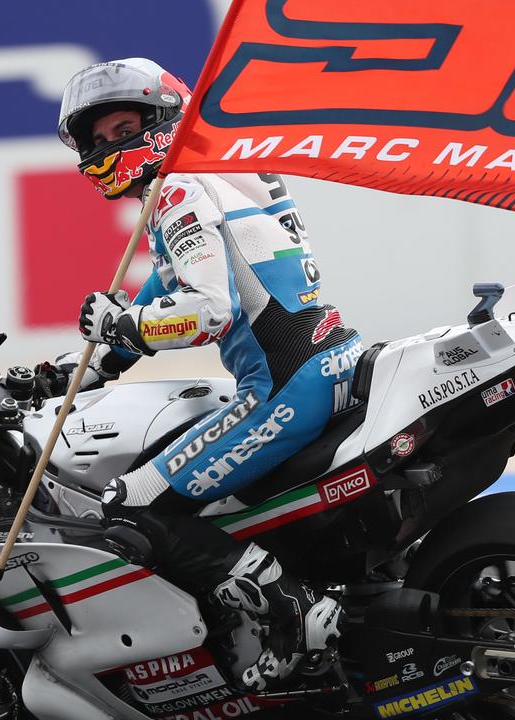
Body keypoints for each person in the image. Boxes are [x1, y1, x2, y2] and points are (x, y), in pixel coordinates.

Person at [50, 57, 363, 692]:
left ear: (162, 121)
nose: (110, 148)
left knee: (129, 509)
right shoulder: (225, 172)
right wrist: (78, 368)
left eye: (122, 129)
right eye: (99, 140)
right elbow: (167, 289)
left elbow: (208, 309)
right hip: (332, 359)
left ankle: (288, 607)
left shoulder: (178, 189)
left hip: (284, 384)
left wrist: (119, 329)